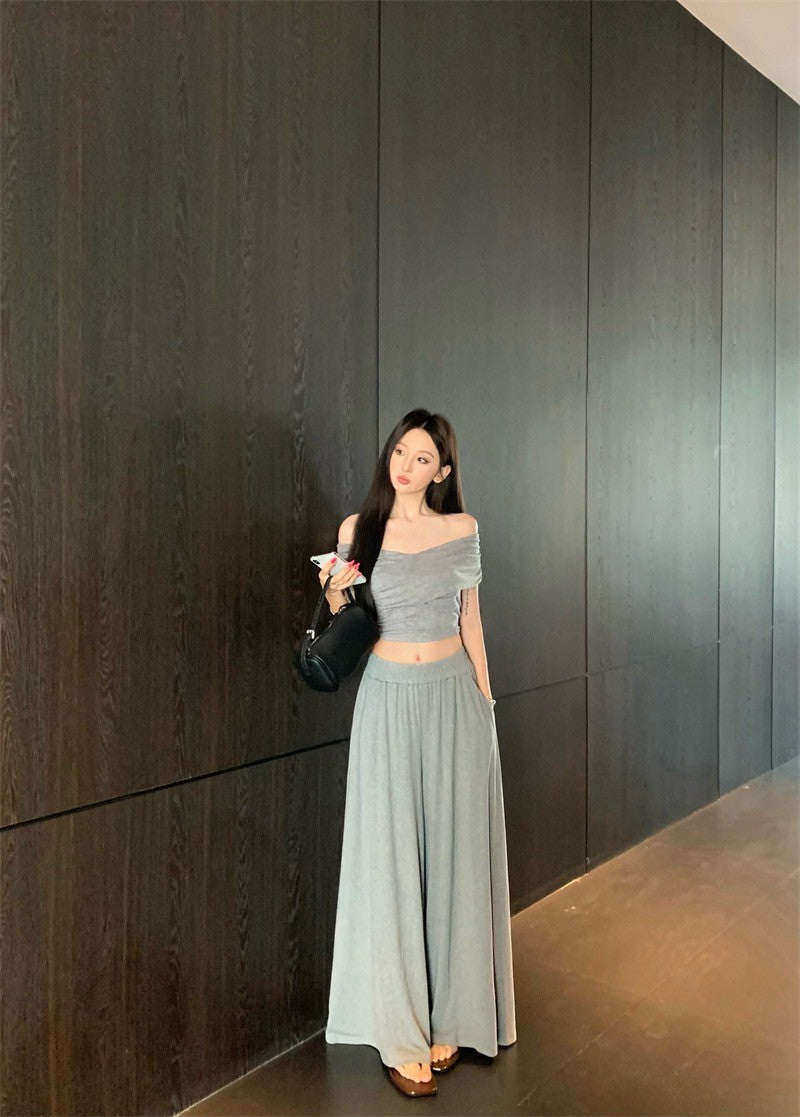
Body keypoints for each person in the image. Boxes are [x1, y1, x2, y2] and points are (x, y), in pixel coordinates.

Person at [321, 408, 516, 1098]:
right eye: (400, 451)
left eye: (423, 457)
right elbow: (347, 618)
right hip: (386, 699)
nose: (406, 465)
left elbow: (471, 620)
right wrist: (334, 589)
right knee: (392, 858)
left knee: (458, 854)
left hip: (454, 696)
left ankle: (456, 1019)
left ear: (443, 471)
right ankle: (400, 1032)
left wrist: (487, 704)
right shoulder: (358, 529)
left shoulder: (461, 530)